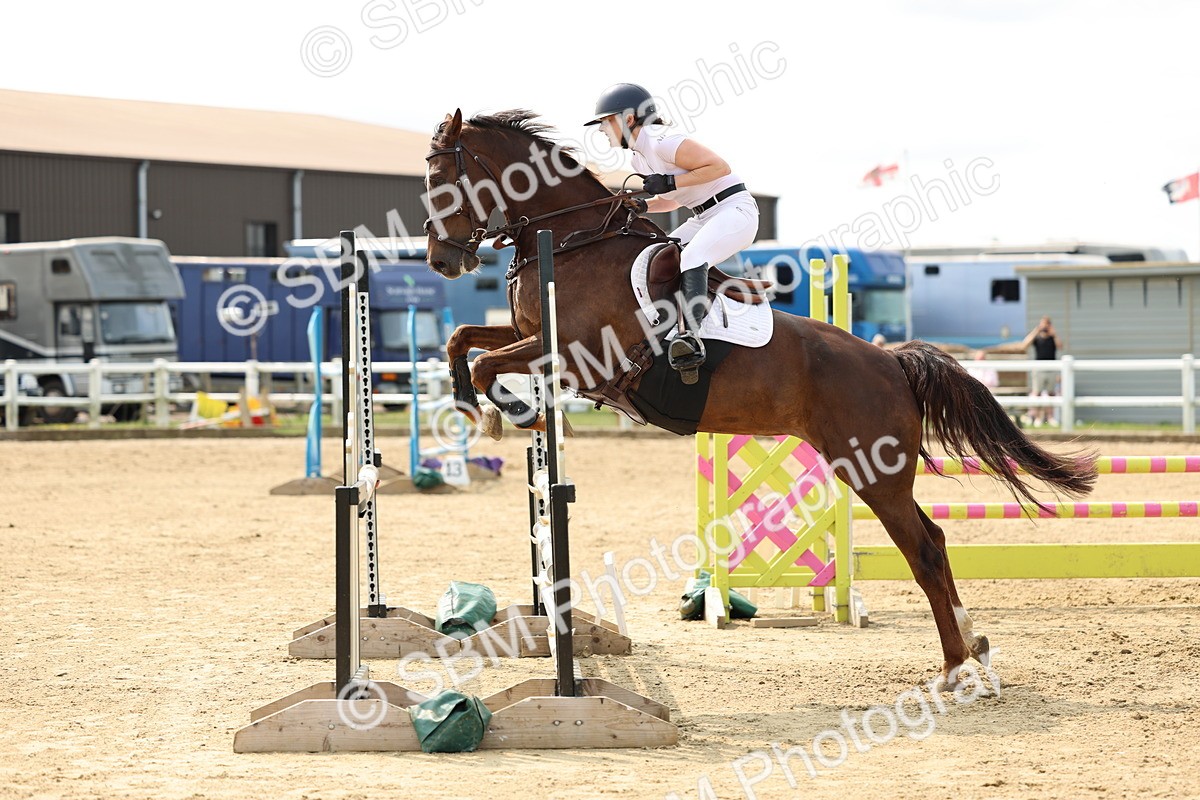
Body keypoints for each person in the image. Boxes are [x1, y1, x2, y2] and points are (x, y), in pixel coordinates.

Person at [585, 83, 759, 382]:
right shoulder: (638, 157)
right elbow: (674, 198)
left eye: (606, 121)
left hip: (734, 210)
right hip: (703, 215)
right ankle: (666, 324)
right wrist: (643, 206)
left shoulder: (662, 141)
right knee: (656, 256)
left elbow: (718, 167)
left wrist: (667, 182)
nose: (602, 129)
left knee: (692, 256)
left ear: (628, 119)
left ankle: (689, 338)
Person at [1021, 316, 1062, 426]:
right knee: (1037, 393)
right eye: (1042, 324)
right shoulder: (1037, 338)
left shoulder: (1053, 337)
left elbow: (1061, 346)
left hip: (1051, 368)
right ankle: (1037, 417)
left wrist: (1054, 334)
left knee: (1051, 394)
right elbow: (1025, 345)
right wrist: (1036, 331)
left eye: (1046, 325)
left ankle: (1050, 417)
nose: (1044, 327)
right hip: (1038, 369)